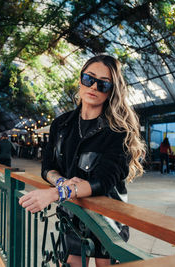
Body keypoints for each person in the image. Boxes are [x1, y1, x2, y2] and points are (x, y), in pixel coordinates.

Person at [19, 55, 146, 267]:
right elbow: (47, 167)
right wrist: (61, 183)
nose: (94, 86)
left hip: (107, 220)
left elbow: (104, 182)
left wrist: (56, 193)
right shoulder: (61, 125)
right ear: (80, 80)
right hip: (72, 217)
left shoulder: (118, 130)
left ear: (112, 90)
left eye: (103, 83)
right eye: (89, 78)